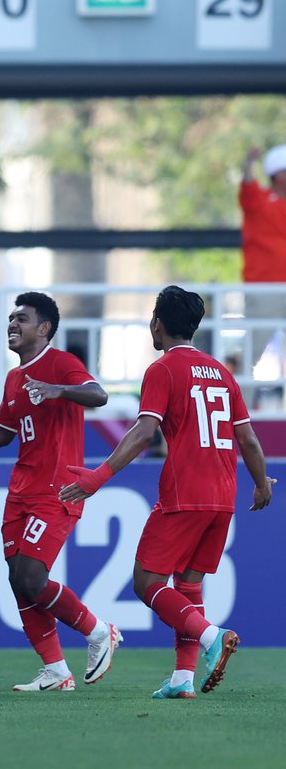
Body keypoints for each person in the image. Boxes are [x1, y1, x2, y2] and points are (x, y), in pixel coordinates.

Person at [61, 285, 276, 698]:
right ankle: (182, 679)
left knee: (147, 583)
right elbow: (247, 439)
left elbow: (145, 432)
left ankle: (213, 636)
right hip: (222, 496)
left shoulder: (162, 370)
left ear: (157, 322)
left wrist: (97, 476)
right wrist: (261, 482)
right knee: (189, 586)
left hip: (185, 493)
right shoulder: (222, 373)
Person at [0, 292, 120, 692]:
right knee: (18, 579)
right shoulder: (14, 379)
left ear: (44, 328)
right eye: (11, 318)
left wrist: (59, 390)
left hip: (57, 490)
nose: (12, 324)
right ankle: (56, 670)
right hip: (21, 491)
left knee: (31, 575)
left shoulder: (61, 364)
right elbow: (2, 433)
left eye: (22, 319)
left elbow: (99, 395)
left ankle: (98, 630)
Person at [239, 145, 286, 368]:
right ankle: (235, 401)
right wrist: (249, 163)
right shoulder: (260, 199)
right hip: (264, 288)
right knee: (252, 352)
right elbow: (248, 186)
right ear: (279, 174)